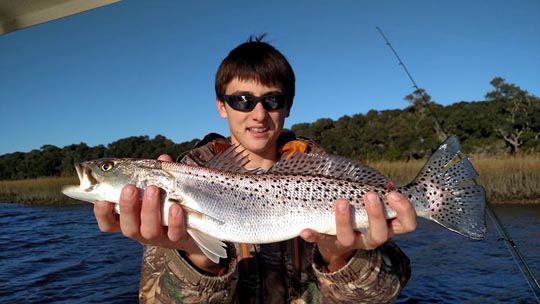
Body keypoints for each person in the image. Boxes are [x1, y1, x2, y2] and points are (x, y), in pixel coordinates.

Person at [94, 35, 417, 303]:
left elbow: (384, 292)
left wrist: (340, 256)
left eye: (273, 100)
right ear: (221, 106)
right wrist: (197, 256)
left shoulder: (326, 172)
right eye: (243, 100)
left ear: (288, 105)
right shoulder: (174, 186)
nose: (259, 114)